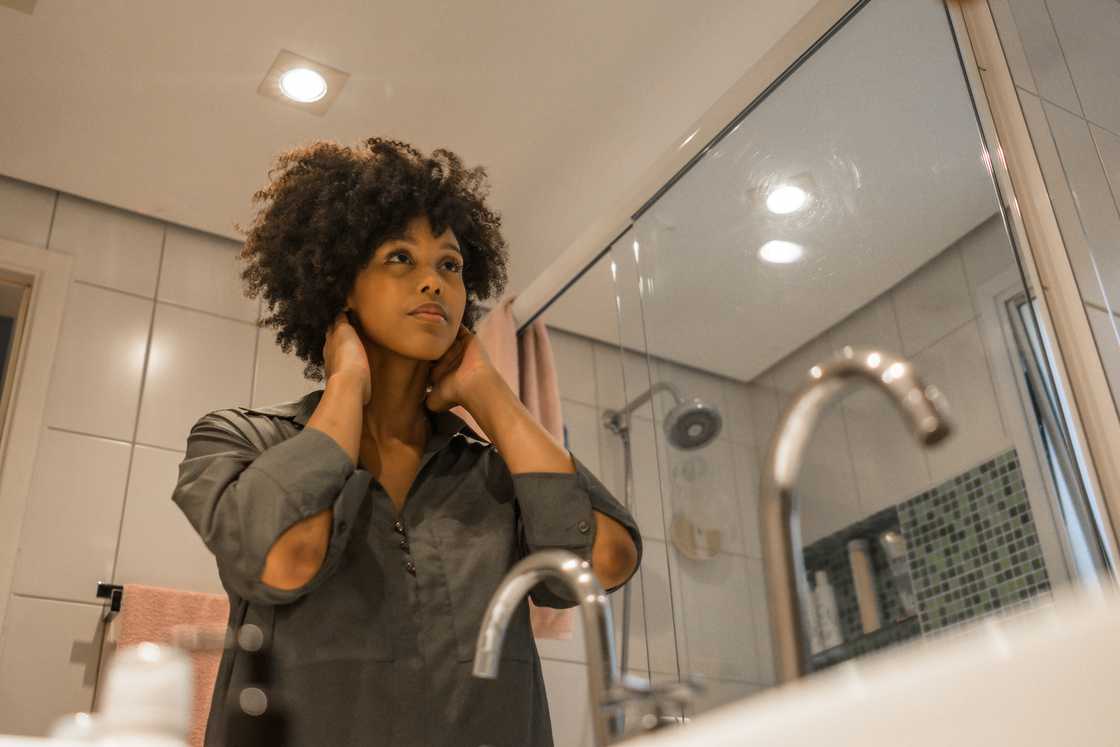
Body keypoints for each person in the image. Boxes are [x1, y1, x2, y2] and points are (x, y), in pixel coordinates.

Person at [171, 137, 642, 746]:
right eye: (400, 258)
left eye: (450, 265)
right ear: (342, 285)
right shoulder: (240, 440)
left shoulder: (495, 473)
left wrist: (493, 398)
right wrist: (346, 385)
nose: (433, 283)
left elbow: (606, 562)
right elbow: (282, 562)